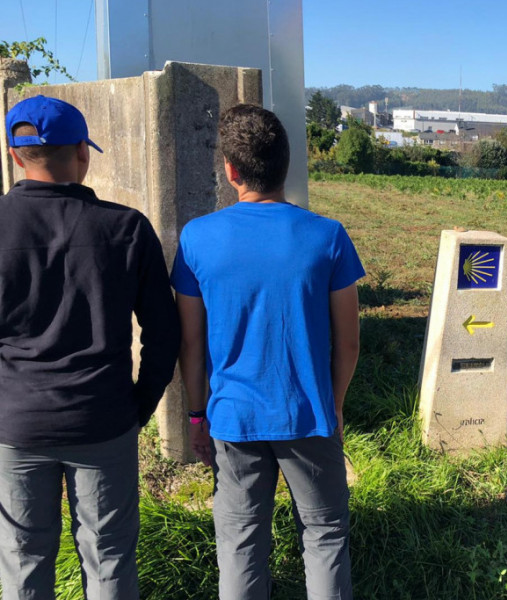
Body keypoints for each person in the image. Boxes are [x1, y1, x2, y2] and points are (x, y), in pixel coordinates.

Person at [171, 103, 363, 600]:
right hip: (309, 415)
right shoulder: (328, 236)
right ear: (287, 164)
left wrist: (196, 416)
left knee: (240, 543)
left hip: (233, 419)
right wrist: (335, 404)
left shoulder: (196, 239)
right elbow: (347, 340)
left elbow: (191, 342)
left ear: (231, 171)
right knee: (324, 537)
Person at [0, 95, 180, 599]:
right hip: (103, 418)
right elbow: (163, 333)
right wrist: (138, 406)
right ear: (83, 152)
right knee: (109, 556)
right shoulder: (125, 227)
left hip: (16, 424)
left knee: (23, 557)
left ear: (16, 155)